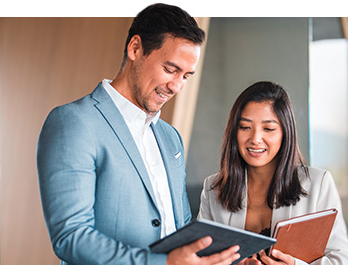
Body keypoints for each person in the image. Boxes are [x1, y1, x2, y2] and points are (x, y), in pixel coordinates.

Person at [37, 4, 240, 265]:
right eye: (170, 69)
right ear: (135, 48)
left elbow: (180, 229)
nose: (176, 86)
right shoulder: (74, 122)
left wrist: (223, 259)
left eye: (186, 76)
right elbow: (71, 237)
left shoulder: (171, 138)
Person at [198, 81, 348, 265]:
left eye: (268, 129)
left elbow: (343, 261)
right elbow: (200, 259)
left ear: (285, 133)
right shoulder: (213, 188)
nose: (255, 139)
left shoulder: (318, 183)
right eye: (245, 127)